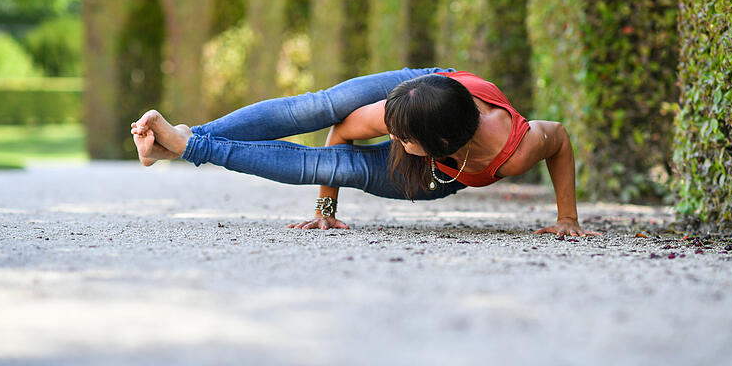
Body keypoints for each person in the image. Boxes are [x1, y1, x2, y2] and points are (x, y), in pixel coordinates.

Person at [130, 66, 601, 236]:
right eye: (391, 129)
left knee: (331, 165)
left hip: (439, 176)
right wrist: (325, 205)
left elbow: (558, 138)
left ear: (435, 147)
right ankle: (185, 144)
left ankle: (185, 144)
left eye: (400, 139)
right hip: (426, 93)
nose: (391, 139)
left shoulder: (517, 150)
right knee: (321, 107)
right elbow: (343, 130)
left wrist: (567, 217)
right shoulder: (403, 112)